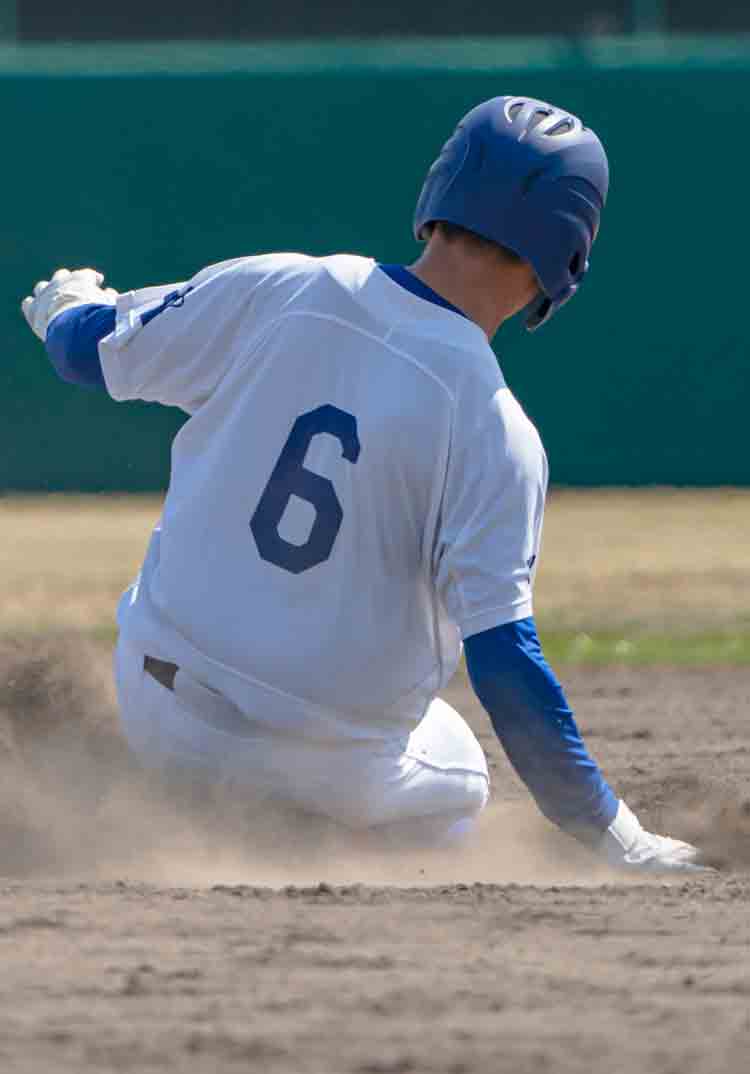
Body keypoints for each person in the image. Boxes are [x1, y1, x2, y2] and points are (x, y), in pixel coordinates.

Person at [22, 95, 703, 868]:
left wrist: (69, 306)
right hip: (326, 773)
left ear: (441, 190)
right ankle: (297, 843)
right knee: (461, 766)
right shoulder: (497, 429)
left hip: (157, 712)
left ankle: (171, 799)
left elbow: (85, 352)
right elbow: (507, 665)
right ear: (567, 253)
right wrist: (621, 838)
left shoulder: (282, 287)